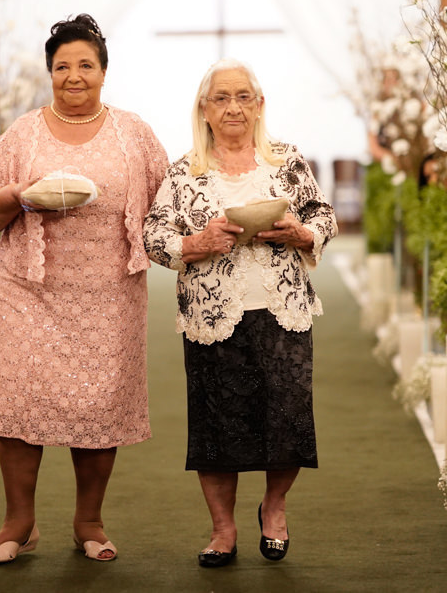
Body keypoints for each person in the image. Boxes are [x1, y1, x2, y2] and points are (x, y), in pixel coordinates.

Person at [0, 13, 167, 565]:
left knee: (101, 404)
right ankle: (19, 521)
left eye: (85, 64)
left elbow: (168, 205)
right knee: (19, 399)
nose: (73, 75)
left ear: (104, 71)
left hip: (109, 295)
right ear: (49, 73)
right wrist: (21, 194)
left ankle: (89, 520)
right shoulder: (23, 133)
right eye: (61, 66)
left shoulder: (134, 133)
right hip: (30, 291)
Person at [143, 59, 337, 567]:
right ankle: (222, 529)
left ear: (259, 105)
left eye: (243, 97)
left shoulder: (286, 161)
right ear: (204, 110)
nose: (233, 107)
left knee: (288, 418)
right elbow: (153, 236)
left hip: (282, 310)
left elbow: (323, 215)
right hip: (211, 315)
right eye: (222, 98)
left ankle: (274, 507)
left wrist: (301, 234)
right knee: (216, 426)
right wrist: (196, 242)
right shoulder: (184, 172)